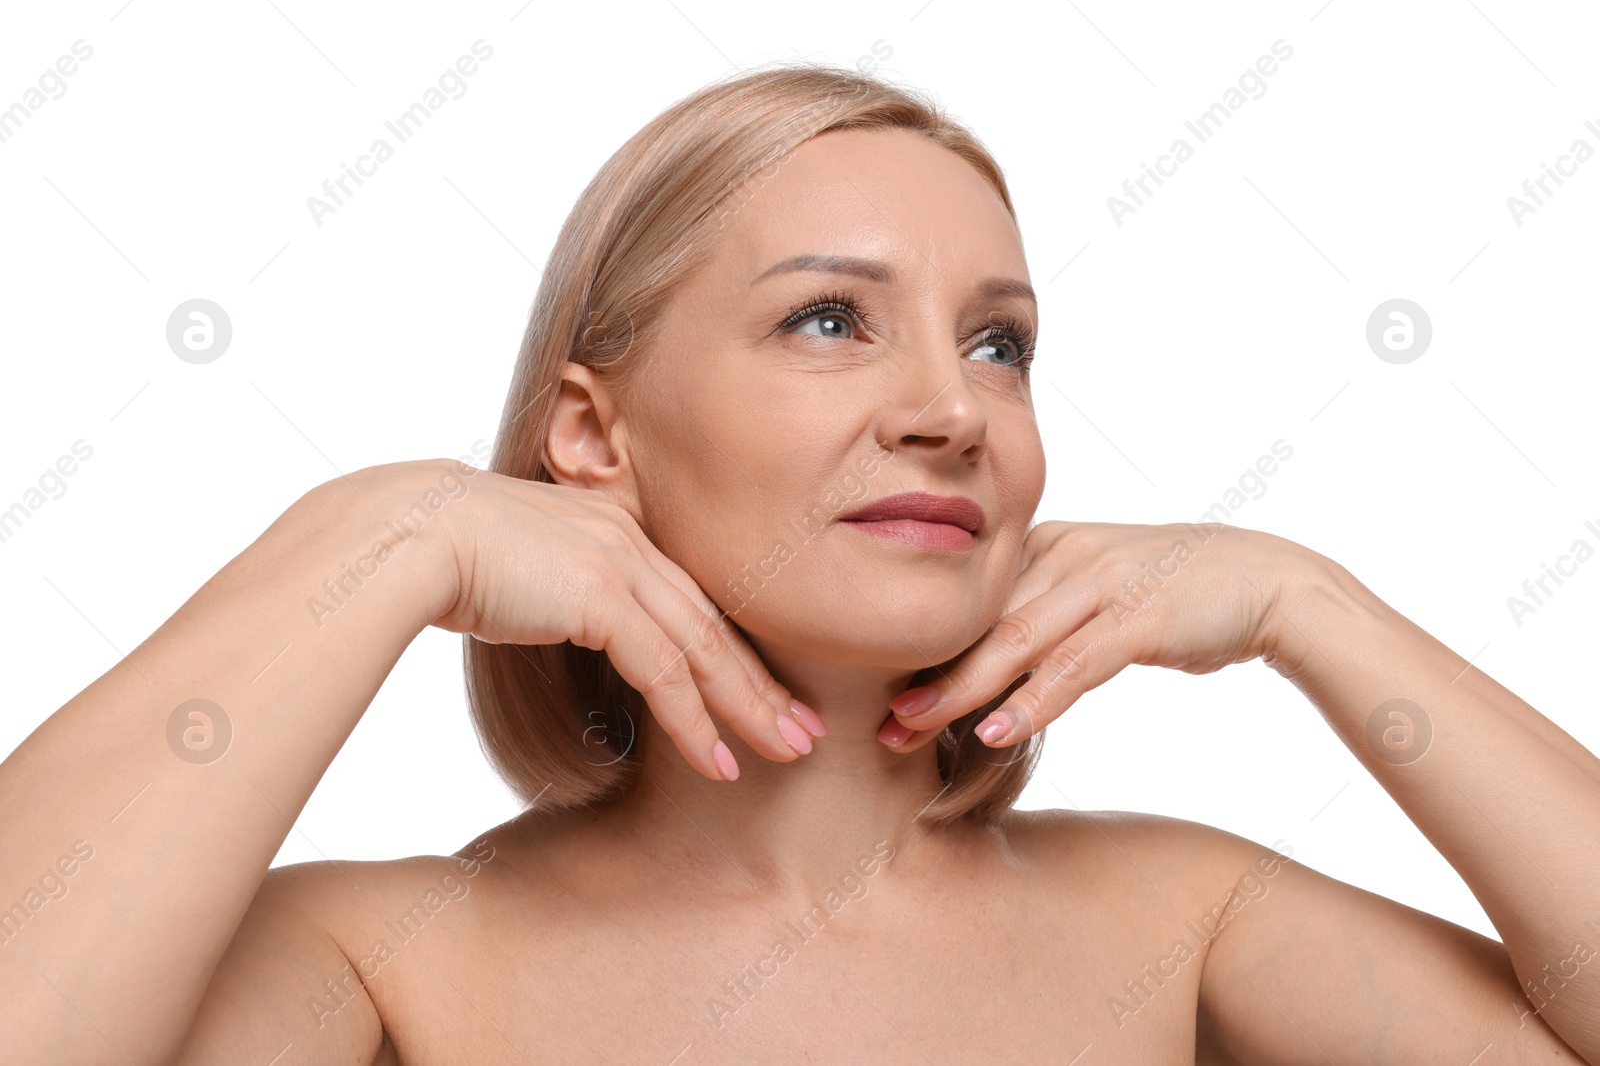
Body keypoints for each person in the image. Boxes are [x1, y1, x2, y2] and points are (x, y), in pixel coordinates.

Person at [4, 61, 1597, 1065]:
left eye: (1000, 344)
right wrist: (375, 537)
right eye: (829, 319)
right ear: (590, 432)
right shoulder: (383, 960)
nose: (949, 409)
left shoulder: (1184, 917)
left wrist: (1320, 608)